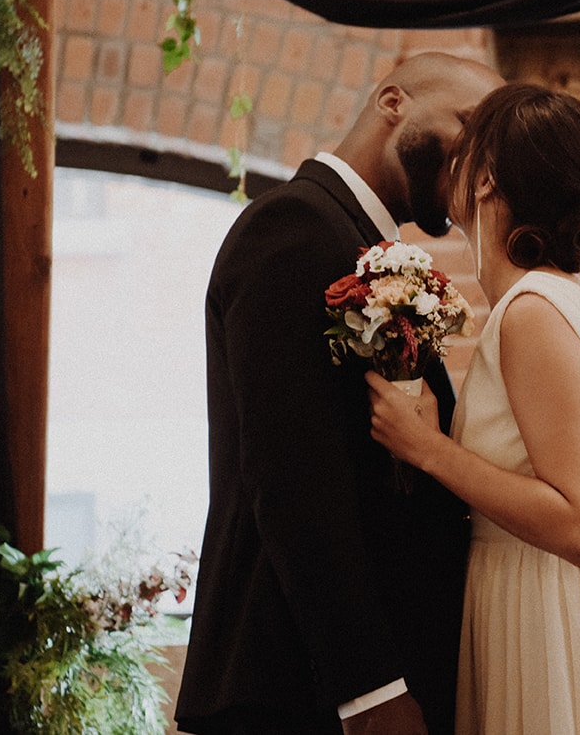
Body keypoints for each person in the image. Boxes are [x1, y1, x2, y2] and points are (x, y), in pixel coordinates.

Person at [175, 52, 506, 735]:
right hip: (301, 689)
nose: (480, 162)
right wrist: (371, 692)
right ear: (393, 103)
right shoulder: (292, 228)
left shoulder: (356, 242)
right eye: (468, 124)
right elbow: (292, 479)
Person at [366, 83, 580, 735]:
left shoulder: (533, 314)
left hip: (560, 618)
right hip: (547, 599)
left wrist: (429, 450)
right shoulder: (556, 299)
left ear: (486, 178)